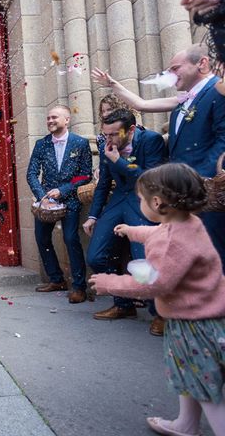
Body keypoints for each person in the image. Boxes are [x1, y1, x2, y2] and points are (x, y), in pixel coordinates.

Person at [90, 163, 225, 436]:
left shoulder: (174, 241)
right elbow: (157, 232)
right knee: (188, 373)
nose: (139, 202)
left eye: (140, 198)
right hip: (197, 317)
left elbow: (155, 282)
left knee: (205, 385)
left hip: (195, 325)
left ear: (157, 202)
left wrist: (110, 283)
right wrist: (132, 230)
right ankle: (186, 424)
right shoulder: (186, 223)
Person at [93, 44, 225, 272]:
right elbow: (141, 105)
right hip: (184, 193)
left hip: (204, 189)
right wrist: (113, 85)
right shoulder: (184, 100)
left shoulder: (218, 90)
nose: (170, 75)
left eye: (175, 68)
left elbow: (223, 140)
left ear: (202, 63)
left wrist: (199, 179)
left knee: (214, 252)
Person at [83, 109, 167, 332]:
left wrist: (119, 161)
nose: (108, 139)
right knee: (96, 256)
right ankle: (123, 303)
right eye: (105, 134)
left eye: (113, 134)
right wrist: (92, 216)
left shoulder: (151, 140)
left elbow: (150, 178)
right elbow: (103, 185)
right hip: (118, 201)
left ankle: (160, 313)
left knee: (144, 258)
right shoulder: (106, 146)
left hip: (143, 201)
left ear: (130, 129)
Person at [26, 105, 92, 303]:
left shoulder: (80, 143)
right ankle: (56, 279)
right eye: (47, 118)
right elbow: (31, 174)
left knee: (71, 239)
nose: (50, 121)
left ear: (67, 120)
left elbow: (85, 174)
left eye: (54, 117)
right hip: (46, 203)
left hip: (70, 200)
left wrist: (63, 190)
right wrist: (42, 195)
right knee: (42, 238)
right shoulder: (41, 144)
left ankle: (79, 287)